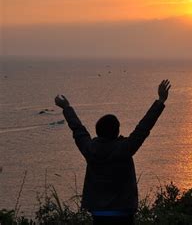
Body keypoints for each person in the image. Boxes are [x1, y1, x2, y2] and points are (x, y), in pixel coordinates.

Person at [54, 80, 171, 225]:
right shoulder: (124, 149)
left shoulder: (90, 149)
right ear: (117, 131)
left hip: (98, 212)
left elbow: (78, 129)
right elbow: (143, 128)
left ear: (98, 131)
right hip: (123, 212)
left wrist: (66, 107)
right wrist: (160, 101)